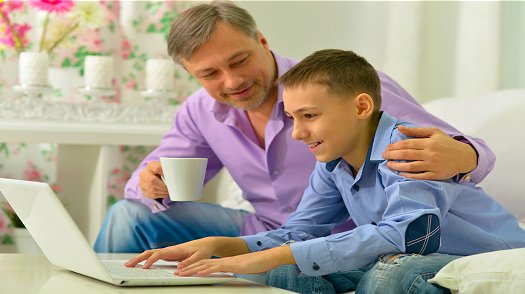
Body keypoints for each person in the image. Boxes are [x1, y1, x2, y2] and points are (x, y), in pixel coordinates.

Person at [93, 1, 495, 253]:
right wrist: (151, 184)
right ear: (190, 74)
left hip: (352, 230)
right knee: (129, 215)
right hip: (264, 227)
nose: (231, 82)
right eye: (210, 73)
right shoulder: (200, 110)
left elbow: (468, 150)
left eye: (238, 61)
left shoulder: (340, 84)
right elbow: (150, 179)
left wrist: (465, 155)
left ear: (263, 41)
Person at [125, 49, 525, 294]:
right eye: (292, 118)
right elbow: (297, 233)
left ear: (362, 107)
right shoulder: (332, 161)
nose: (297, 133)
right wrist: (221, 245)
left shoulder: (409, 148)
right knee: (286, 266)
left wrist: (272, 256)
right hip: (406, 253)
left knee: (389, 274)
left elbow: (410, 234)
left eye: (310, 116)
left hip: (474, 253)